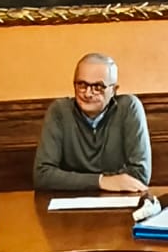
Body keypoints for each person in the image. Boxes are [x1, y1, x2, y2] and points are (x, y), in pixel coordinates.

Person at [33, 53, 153, 193]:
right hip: (70, 201)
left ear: (113, 90)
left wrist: (70, 180)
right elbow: (42, 175)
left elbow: (140, 175)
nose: (88, 94)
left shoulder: (129, 108)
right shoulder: (59, 111)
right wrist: (102, 181)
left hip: (118, 200)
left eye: (98, 87)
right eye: (82, 85)